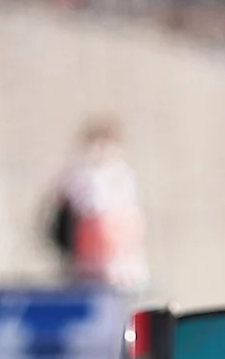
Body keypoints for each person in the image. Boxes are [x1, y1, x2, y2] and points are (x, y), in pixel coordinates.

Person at [45, 119, 149, 291]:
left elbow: (131, 221)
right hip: (89, 259)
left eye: (106, 145)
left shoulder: (122, 175)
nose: (101, 151)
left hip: (120, 260)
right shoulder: (78, 174)